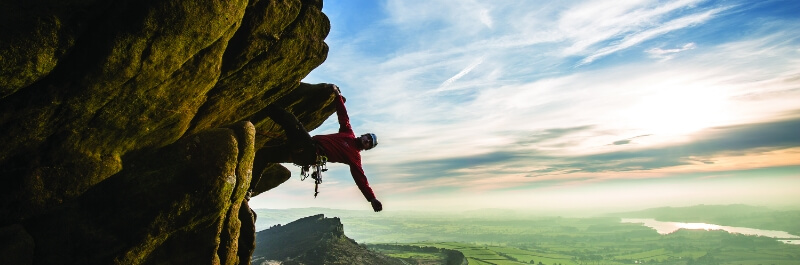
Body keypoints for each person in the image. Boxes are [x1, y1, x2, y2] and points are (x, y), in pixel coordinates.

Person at [249, 84, 382, 212]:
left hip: (310, 151)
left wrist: (372, 198)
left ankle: (260, 103)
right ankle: (249, 190)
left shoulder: (354, 157)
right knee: (263, 154)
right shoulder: (348, 133)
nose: (367, 140)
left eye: (369, 143)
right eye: (368, 137)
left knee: (291, 121)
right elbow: (343, 116)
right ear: (364, 134)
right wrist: (337, 95)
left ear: (366, 148)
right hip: (304, 152)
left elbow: (361, 179)